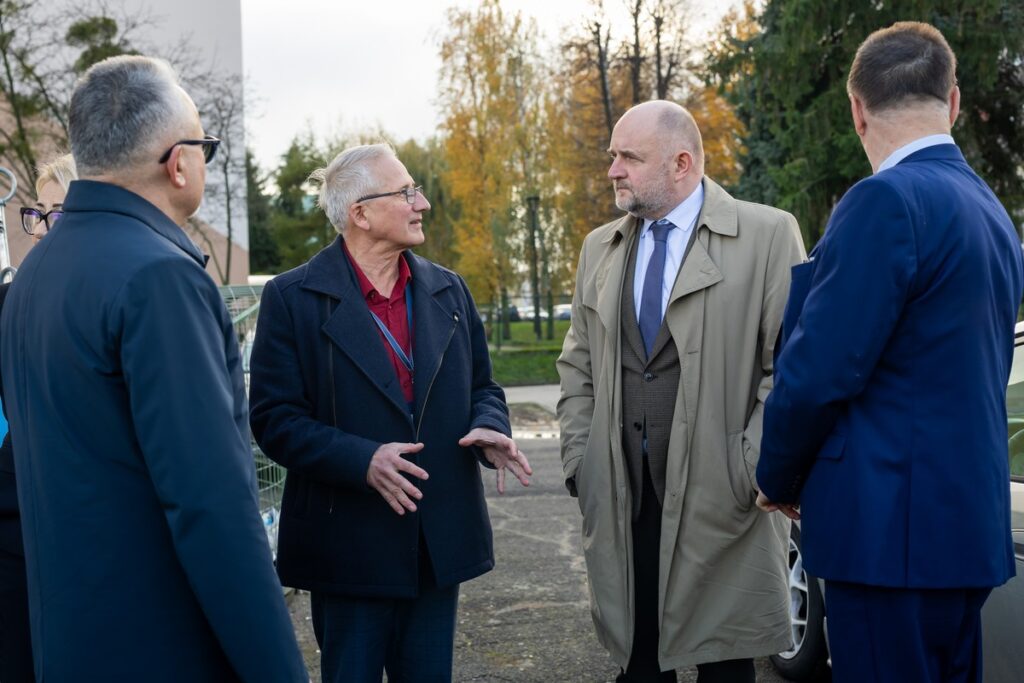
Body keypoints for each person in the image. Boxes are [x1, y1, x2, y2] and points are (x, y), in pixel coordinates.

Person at [0, 55, 308, 681]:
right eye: (205, 146)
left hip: (67, 645)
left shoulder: (35, 272)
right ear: (179, 162)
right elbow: (211, 506)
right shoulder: (159, 276)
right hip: (160, 647)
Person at [756, 22, 1024, 683]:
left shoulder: (885, 201)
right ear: (953, 101)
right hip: (965, 528)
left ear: (856, 108)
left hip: (888, 533)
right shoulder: (991, 210)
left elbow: (821, 368)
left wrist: (778, 475)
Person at [249, 143, 532, 683]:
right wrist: (363, 460)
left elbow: (483, 387)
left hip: (435, 540)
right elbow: (274, 420)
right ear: (360, 213)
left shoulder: (449, 289)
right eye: (405, 192)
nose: (421, 202)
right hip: (348, 546)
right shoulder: (292, 298)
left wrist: (490, 426)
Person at [556, 99, 805, 682]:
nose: (613, 169)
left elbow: (789, 367)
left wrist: (754, 467)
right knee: (638, 662)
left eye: (628, 157)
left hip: (726, 497)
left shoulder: (768, 234)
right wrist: (580, 461)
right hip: (623, 492)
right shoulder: (600, 246)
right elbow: (579, 362)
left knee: (726, 663)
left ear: (682, 163)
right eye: (612, 156)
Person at [0, 153, 76, 683]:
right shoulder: (8, 301)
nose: (44, 228)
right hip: (13, 530)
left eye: (60, 212)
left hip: (84, 535)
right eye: (39, 212)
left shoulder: (117, 299)